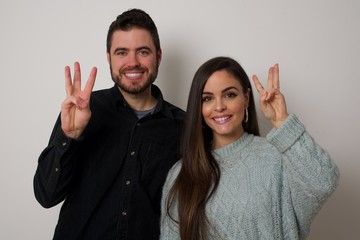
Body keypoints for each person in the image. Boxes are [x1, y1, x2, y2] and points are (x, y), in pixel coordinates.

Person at [33, 9, 185, 240]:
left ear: (158, 56)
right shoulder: (82, 109)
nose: (132, 62)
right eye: (122, 52)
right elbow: (47, 196)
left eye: (143, 52)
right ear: (109, 58)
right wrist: (69, 137)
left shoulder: (182, 126)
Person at [160, 56, 339, 240]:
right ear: (198, 107)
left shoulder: (277, 155)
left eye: (229, 95)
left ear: (246, 98)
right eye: (207, 98)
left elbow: (324, 182)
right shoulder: (181, 173)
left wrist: (282, 123)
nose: (219, 106)